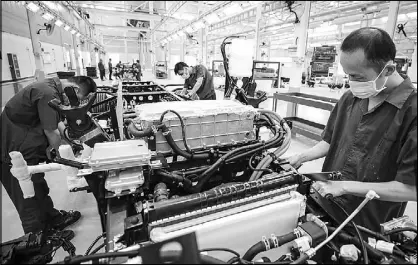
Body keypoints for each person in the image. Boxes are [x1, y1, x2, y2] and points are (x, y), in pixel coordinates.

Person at [285, 27, 417, 232]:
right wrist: (301, 157)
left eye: (358, 77)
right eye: (348, 75)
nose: (351, 83)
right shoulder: (350, 98)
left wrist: (344, 186)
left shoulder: (412, 112)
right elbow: (330, 141)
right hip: (327, 207)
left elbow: (411, 189)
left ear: (389, 70)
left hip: (369, 225)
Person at [0, 76, 97, 237]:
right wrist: (63, 157)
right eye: (78, 99)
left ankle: (52, 219)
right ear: (76, 90)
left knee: (38, 184)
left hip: (26, 145)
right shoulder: (47, 94)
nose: (75, 103)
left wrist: (72, 142)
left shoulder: (53, 89)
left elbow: (56, 123)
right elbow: (50, 131)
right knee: (27, 195)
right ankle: (37, 238)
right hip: (13, 150)